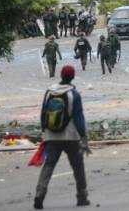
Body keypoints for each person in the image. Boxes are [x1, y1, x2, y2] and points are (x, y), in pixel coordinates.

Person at [34, 65, 90, 209]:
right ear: (73, 76)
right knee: (78, 166)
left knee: (48, 165)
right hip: (71, 137)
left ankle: (39, 194)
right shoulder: (74, 94)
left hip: (51, 136)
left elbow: (43, 113)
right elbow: (78, 118)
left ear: (61, 75)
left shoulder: (49, 92)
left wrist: (44, 131)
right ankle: (82, 197)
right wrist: (83, 137)